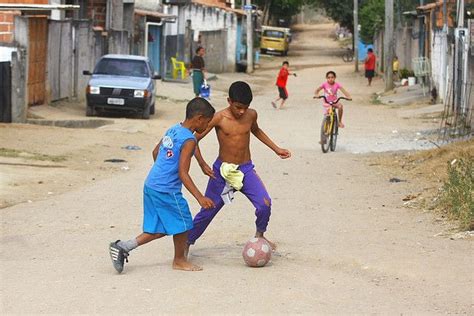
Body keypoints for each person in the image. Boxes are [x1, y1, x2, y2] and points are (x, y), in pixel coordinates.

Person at [108, 97, 216, 273]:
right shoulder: (189, 140)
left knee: (162, 227)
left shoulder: (174, 129)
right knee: (185, 223)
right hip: (166, 189)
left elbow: (156, 151)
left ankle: (123, 247)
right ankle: (179, 260)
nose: (208, 125)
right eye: (208, 121)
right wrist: (200, 197)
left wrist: (162, 170)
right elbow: (183, 173)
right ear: (199, 118)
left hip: (151, 184)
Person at [187, 81, 291, 252]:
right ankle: (186, 243)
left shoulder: (251, 115)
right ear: (229, 101)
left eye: (245, 107)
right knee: (208, 210)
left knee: (264, 204)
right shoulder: (219, 118)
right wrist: (202, 163)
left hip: (245, 169)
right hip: (222, 172)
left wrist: (276, 149)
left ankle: (260, 235)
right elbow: (193, 139)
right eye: (238, 107)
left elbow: (256, 131)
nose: (242, 111)